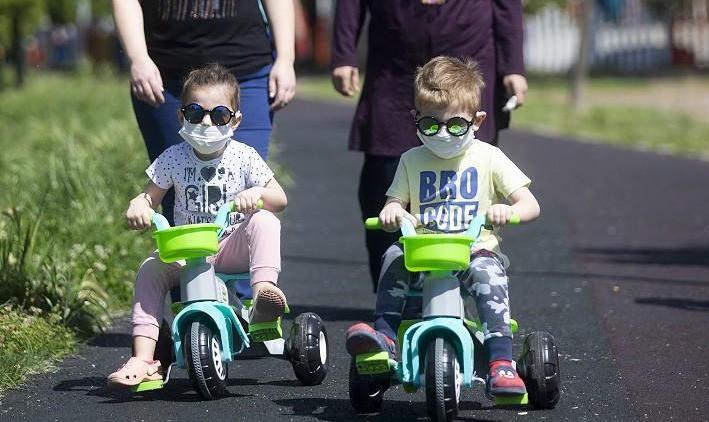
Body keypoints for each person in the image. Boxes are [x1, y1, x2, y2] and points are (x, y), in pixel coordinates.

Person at [344, 57, 540, 396]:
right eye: (432, 126)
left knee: (488, 276)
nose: (444, 133)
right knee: (392, 255)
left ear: (477, 120)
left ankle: (500, 362)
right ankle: (385, 338)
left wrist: (508, 211)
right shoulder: (411, 160)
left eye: (456, 125)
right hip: (423, 251)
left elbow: (530, 204)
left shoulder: (488, 157)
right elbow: (394, 203)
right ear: (416, 119)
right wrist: (393, 212)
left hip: (473, 250)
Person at [107, 64, 288, 388]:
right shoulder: (172, 157)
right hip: (188, 251)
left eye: (218, 115)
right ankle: (145, 358)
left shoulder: (244, 157)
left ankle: (262, 298)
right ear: (181, 117)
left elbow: (280, 198)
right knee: (150, 268)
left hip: (229, 245)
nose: (206, 122)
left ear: (235, 120)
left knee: (264, 219)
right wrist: (139, 205)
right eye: (195, 112)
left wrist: (257, 194)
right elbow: (149, 197)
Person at [331, 0, 529, 291]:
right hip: (395, 59)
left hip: (469, 50)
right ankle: (397, 296)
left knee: (469, 173)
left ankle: (465, 287)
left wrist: (513, 65)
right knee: (383, 178)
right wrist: (344, 52)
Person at [112, 0, 295, 224]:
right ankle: (189, 257)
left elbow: (276, 198)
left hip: (247, 66)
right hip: (164, 74)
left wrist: (286, 58)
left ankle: (242, 258)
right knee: (177, 195)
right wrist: (138, 58)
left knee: (250, 196)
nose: (208, 124)